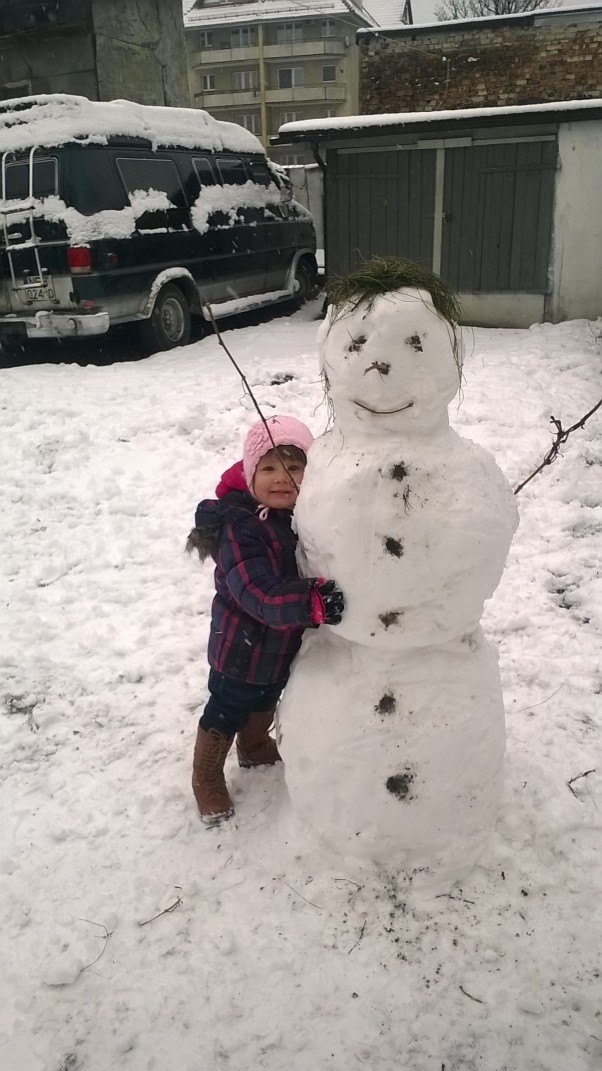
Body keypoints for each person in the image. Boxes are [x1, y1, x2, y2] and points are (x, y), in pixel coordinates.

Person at [187, 415, 345, 826]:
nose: (282, 479)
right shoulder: (239, 527)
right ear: (249, 473)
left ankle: (254, 746)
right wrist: (308, 602)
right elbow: (255, 592)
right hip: (241, 646)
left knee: (267, 697)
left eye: (294, 467)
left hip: (281, 644)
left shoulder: (301, 516)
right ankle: (205, 776)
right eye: (269, 468)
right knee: (228, 706)